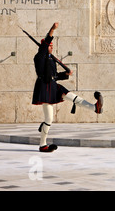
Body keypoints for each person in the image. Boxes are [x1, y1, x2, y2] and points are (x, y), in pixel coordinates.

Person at [32, 22, 103, 152]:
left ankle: (95, 108)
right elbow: (46, 43)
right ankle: (43, 145)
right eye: (50, 46)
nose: (51, 48)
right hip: (44, 88)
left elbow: (54, 76)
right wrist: (52, 29)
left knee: (72, 97)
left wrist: (65, 74)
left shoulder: (50, 59)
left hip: (53, 86)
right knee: (49, 119)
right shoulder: (39, 57)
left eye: (52, 46)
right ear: (44, 46)